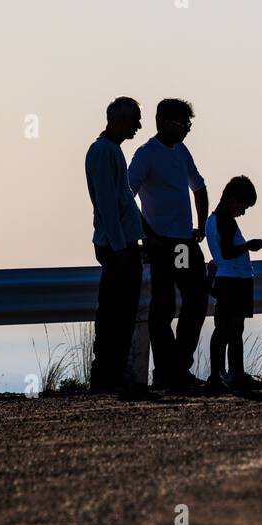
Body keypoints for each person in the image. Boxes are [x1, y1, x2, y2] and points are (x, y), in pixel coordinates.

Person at [128, 98, 210, 389]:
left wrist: (201, 225)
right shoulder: (146, 154)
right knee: (163, 307)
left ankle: (177, 366)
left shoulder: (181, 150)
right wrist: (148, 234)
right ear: (164, 123)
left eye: (189, 125)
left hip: (182, 245)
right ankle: (168, 370)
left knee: (195, 300)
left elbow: (199, 186)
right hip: (163, 246)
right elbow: (128, 193)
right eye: (183, 125)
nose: (187, 130)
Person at [84, 96, 153, 399]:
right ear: (118, 119)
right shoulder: (103, 152)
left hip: (123, 244)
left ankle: (113, 374)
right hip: (118, 247)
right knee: (115, 313)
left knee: (122, 313)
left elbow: (123, 199)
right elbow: (107, 205)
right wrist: (120, 246)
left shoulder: (112, 151)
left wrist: (144, 234)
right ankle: (106, 376)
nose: (138, 125)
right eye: (134, 119)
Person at [204, 176, 262, 392]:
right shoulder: (226, 221)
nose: (243, 211)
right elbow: (228, 252)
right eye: (243, 206)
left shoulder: (212, 221)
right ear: (232, 200)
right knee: (229, 329)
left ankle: (221, 373)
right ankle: (231, 374)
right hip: (234, 281)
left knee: (226, 328)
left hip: (227, 279)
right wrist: (249, 245)